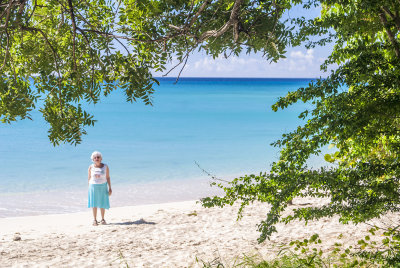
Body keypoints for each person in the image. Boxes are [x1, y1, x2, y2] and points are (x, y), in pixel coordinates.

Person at [88, 151, 112, 226]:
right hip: (93, 187)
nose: (96, 158)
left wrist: (110, 188)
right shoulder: (91, 167)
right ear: (93, 159)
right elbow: (89, 178)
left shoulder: (105, 166)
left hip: (103, 186)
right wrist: (89, 187)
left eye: (98, 157)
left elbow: (108, 177)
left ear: (101, 158)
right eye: (95, 157)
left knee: (102, 203)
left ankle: (103, 219)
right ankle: (95, 220)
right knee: (94, 203)